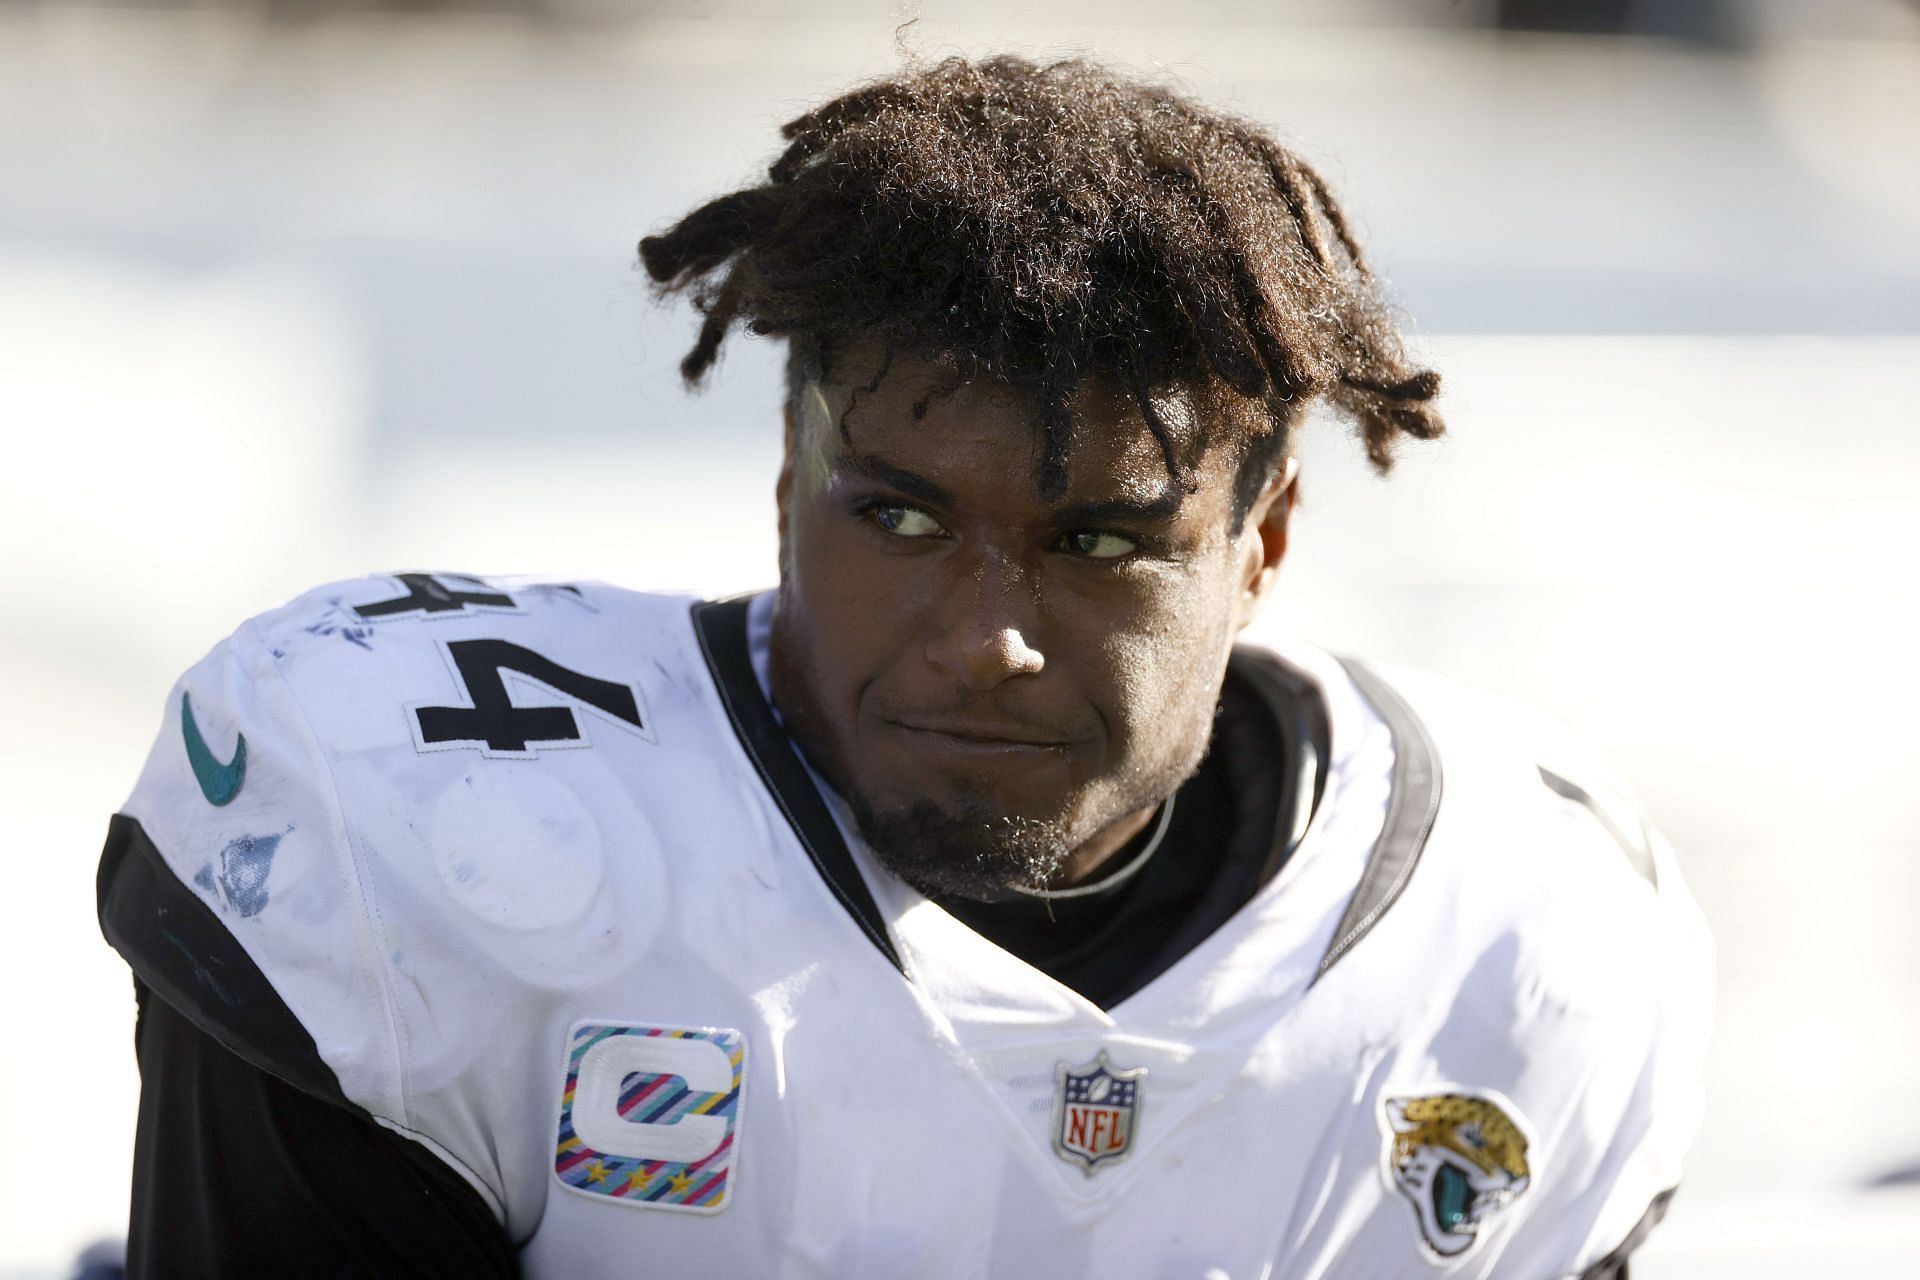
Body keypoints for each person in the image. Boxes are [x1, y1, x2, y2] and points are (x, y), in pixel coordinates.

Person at [97, 54, 1711, 1278]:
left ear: (1261, 544)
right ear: (790, 492)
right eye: (905, 515)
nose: (985, 638)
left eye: (1100, 543)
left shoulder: (1519, 930)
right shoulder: (410, 817)